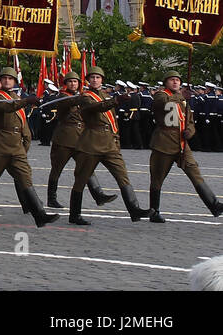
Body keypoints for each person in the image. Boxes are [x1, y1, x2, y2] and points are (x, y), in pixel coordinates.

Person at [0, 67, 57, 229]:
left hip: (16, 147)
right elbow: (6, 108)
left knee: (25, 179)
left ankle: (40, 215)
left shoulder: (15, 97)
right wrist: (26, 101)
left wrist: (26, 141)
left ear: (14, 82)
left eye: (10, 79)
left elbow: (21, 122)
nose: (7, 81)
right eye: (4, 79)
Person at [59, 66, 147, 224]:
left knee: (122, 176)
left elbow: (113, 119)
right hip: (91, 142)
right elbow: (96, 108)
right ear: (87, 81)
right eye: (92, 77)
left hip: (109, 142)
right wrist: (116, 101)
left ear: (102, 80)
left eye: (98, 77)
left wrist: (116, 139)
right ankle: (75, 215)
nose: (95, 80)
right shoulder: (85, 97)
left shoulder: (106, 95)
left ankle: (134, 209)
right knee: (81, 180)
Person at [148, 70, 223, 221]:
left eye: (178, 80)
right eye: (172, 80)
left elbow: (190, 121)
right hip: (164, 143)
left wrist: (190, 131)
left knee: (195, 173)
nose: (175, 82)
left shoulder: (183, 99)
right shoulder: (162, 95)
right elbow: (164, 105)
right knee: (157, 179)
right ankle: (154, 211)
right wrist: (182, 97)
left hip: (182, 144)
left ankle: (214, 205)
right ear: (166, 83)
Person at [42, 72, 115, 208]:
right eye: (70, 82)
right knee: (57, 169)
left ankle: (98, 194)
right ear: (66, 84)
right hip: (65, 138)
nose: (73, 84)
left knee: (86, 168)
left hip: (81, 138)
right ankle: (51, 198)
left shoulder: (84, 96)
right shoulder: (62, 96)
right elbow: (69, 102)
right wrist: (82, 98)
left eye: (75, 82)